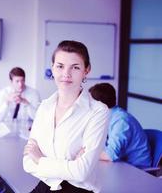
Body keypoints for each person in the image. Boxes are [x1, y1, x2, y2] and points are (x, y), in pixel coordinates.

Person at [23, 40, 109, 192]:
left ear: (86, 70)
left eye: (75, 67)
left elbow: (81, 172)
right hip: (44, 186)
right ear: (52, 68)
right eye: (60, 66)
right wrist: (70, 165)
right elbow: (27, 163)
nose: (66, 74)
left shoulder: (98, 111)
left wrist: (40, 159)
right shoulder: (44, 107)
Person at [89, 83, 152, 168]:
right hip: (120, 164)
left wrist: (88, 154)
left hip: (137, 169)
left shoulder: (121, 120)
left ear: (100, 104)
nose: (88, 106)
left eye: (91, 103)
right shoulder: (106, 116)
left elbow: (110, 155)